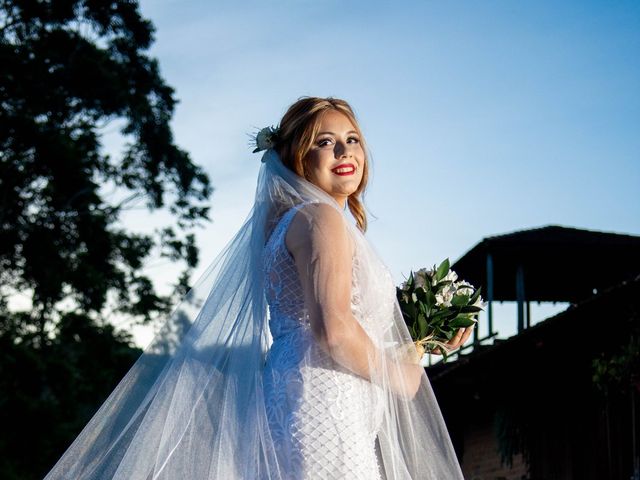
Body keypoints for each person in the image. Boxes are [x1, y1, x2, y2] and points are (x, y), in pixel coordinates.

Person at [43, 96, 471, 479]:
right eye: (324, 142)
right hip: (327, 404)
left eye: (353, 139)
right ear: (297, 156)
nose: (344, 151)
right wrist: (403, 377)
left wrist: (417, 342)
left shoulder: (297, 221)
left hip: (308, 396)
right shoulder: (320, 219)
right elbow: (334, 331)